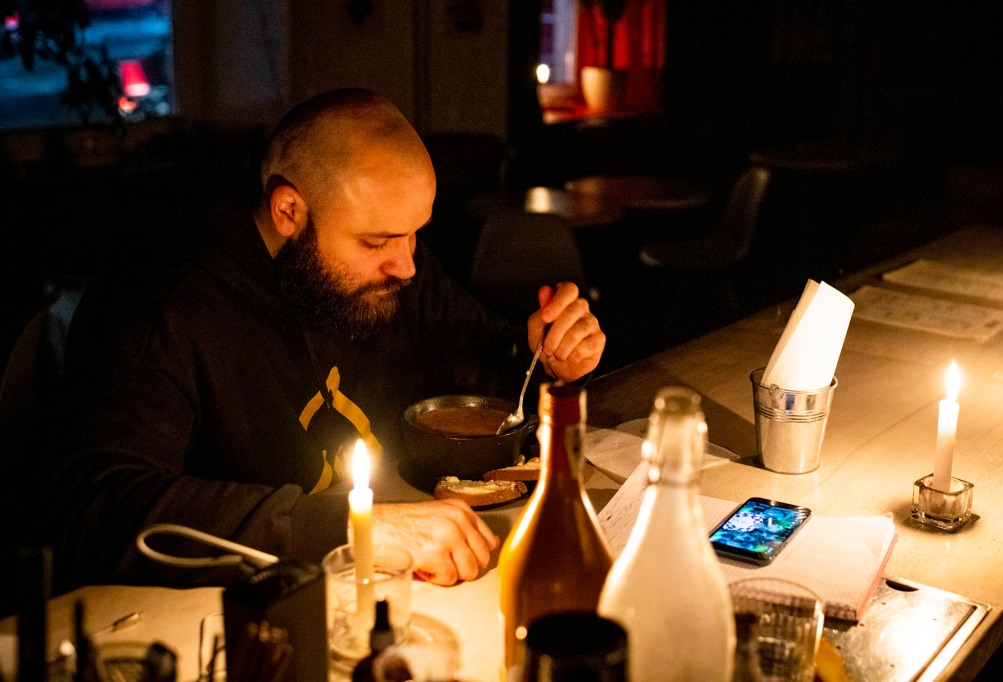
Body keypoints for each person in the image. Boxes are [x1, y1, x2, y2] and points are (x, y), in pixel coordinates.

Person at [36, 88, 605, 591]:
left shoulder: (395, 266)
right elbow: (97, 509)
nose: (407, 266)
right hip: (235, 611)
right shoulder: (163, 302)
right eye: (378, 240)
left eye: (414, 235)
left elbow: (481, 373)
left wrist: (546, 356)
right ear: (289, 210)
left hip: (395, 583)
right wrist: (353, 528)